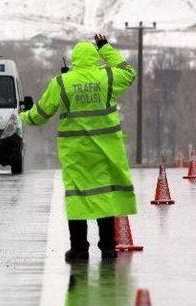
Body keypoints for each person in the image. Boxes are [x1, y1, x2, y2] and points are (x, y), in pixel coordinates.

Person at [20, 34, 137, 262]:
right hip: (105, 149)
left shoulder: (62, 83)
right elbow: (129, 72)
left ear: (73, 60)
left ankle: (79, 249)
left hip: (75, 151)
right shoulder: (108, 77)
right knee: (104, 195)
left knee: (77, 196)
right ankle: (108, 247)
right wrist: (105, 48)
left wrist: (22, 117)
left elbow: (41, 114)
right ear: (95, 58)